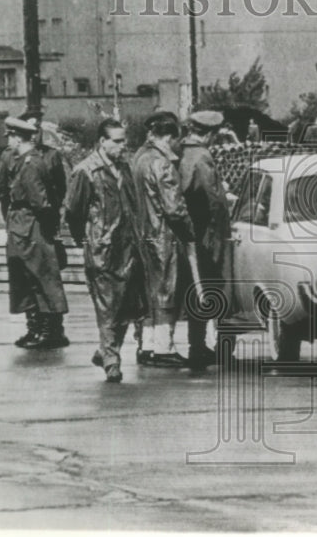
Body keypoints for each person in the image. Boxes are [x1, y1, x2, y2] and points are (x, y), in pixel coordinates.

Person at [65, 118, 146, 383]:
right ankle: (112, 360)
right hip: (102, 248)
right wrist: (87, 240)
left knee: (126, 305)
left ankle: (105, 351)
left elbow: (134, 205)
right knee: (108, 304)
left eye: (125, 140)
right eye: (118, 141)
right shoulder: (86, 171)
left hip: (128, 246)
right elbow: (73, 211)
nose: (124, 146)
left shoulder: (125, 168)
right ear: (102, 141)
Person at [132, 111, 194, 365]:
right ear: (168, 137)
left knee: (147, 292)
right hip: (163, 235)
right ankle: (164, 348)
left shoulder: (138, 158)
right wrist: (189, 229)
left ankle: (146, 346)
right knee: (167, 291)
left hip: (141, 233)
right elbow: (174, 208)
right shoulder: (163, 163)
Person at [4, 117, 70, 349]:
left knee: (41, 277)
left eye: (11, 137)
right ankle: (39, 329)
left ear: (17, 138)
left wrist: (50, 230)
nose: (9, 142)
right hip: (25, 225)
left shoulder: (30, 163)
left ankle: (49, 331)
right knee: (31, 278)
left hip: (31, 227)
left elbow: (41, 201)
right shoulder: (28, 161)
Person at [178, 110, 233, 372]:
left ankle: (197, 346)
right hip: (208, 233)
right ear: (210, 134)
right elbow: (213, 201)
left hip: (193, 231)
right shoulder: (201, 157)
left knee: (197, 288)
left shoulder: (184, 153)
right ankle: (206, 349)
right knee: (217, 287)